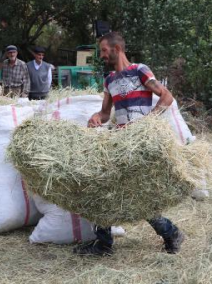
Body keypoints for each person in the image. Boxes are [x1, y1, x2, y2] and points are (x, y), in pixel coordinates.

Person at [73, 32, 185, 257]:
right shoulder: (109, 80)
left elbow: (167, 97)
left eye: (104, 50)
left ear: (117, 49)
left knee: (138, 195)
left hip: (140, 144)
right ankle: (104, 244)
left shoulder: (140, 71)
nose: (102, 55)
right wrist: (96, 118)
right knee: (102, 187)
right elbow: (106, 114)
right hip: (121, 142)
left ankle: (171, 232)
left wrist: (148, 122)